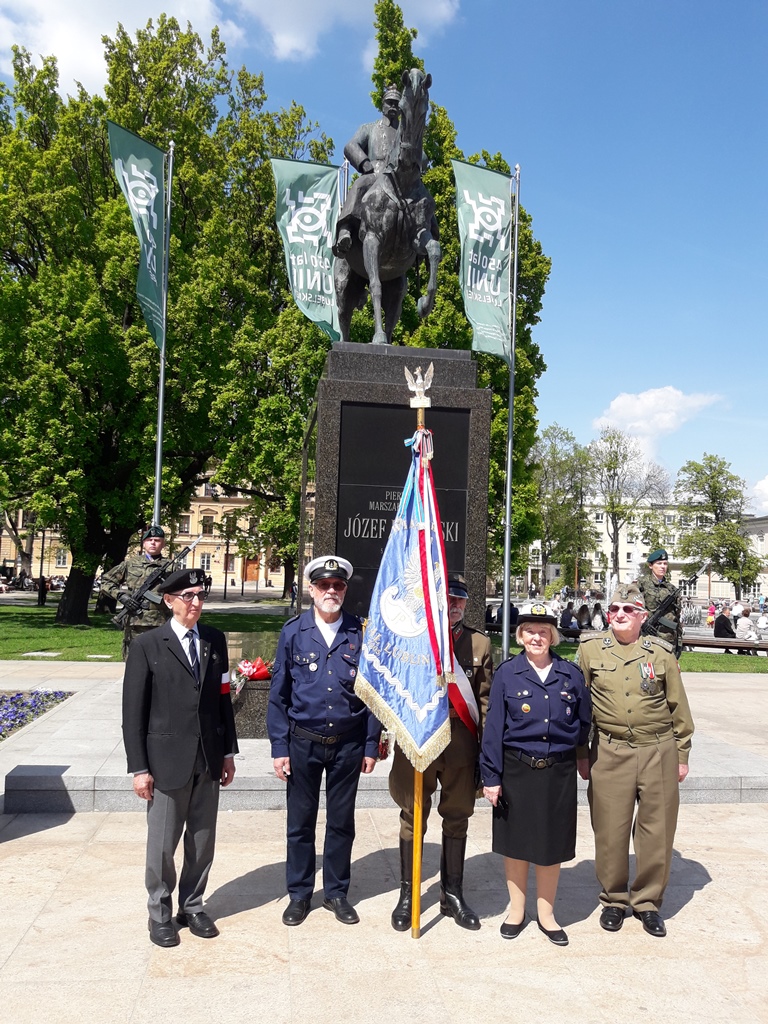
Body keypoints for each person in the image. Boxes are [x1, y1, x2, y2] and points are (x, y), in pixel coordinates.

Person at [122, 568, 238, 948]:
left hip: (207, 758)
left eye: (200, 596)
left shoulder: (214, 641)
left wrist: (228, 753)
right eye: (188, 596)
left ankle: (192, 905)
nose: (196, 603)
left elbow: (223, 700)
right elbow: (133, 713)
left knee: (202, 841)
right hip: (166, 761)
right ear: (169, 601)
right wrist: (140, 768)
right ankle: (160, 912)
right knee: (162, 844)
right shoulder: (148, 645)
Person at [268, 555, 380, 927]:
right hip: (303, 742)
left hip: (348, 743)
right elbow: (279, 695)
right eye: (324, 585)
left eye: (338, 586)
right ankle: (299, 894)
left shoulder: (360, 633)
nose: (331, 591)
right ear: (311, 590)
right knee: (300, 823)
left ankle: (336, 893)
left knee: (341, 822)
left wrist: (369, 745)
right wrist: (279, 748)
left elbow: (372, 695)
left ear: (345, 590)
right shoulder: (293, 632)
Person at [577, 583, 694, 938]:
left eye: (629, 610)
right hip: (610, 751)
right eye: (615, 609)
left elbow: (679, 709)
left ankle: (647, 903)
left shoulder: (660, 653)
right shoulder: (590, 650)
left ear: (642, 616)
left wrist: (682, 754)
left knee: (656, 831)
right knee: (610, 829)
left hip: (658, 750)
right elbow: (581, 707)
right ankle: (613, 899)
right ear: (608, 614)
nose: (621, 615)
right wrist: (582, 752)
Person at [480, 604, 591, 946]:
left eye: (543, 632)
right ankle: (517, 910)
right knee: (515, 845)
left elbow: (584, 721)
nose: (536, 637)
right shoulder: (507, 673)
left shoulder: (570, 674)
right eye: (530, 631)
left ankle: (547, 914)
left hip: (557, 771)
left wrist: (581, 757)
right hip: (517, 769)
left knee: (551, 845)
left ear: (553, 636)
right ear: (520, 635)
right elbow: (494, 727)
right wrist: (491, 776)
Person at [388, 573, 494, 932]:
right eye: (448, 598)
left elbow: (485, 703)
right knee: (412, 815)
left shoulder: (479, 644)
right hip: (419, 738)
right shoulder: (413, 639)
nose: (454, 605)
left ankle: (453, 894)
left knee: (458, 815)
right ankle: (408, 894)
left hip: (461, 742)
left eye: (460, 599)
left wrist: (487, 755)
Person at [333, 86, 402, 256]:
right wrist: (364, 163)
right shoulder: (369, 128)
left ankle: (428, 236)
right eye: (389, 103)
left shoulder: (406, 133)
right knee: (359, 185)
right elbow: (351, 146)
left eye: (396, 104)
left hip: (400, 178)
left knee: (423, 200)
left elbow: (421, 155)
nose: (393, 107)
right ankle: (345, 229)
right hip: (376, 173)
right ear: (382, 105)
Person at [100, 526, 172, 659]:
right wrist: (122, 596)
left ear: (163, 544)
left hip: (162, 622)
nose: (153, 543)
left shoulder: (171, 566)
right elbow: (106, 581)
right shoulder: (130, 564)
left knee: (161, 663)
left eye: (157, 540)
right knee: (135, 663)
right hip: (135, 622)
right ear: (143, 543)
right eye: (149, 540)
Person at [636, 548, 682, 655]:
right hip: (646, 635)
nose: (663, 566)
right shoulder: (641, 584)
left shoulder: (672, 589)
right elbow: (634, 608)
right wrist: (643, 624)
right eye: (659, 563)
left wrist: (679, 641)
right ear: (651, 566)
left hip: (668, 638)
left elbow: (677, 617)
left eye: (665, 564)